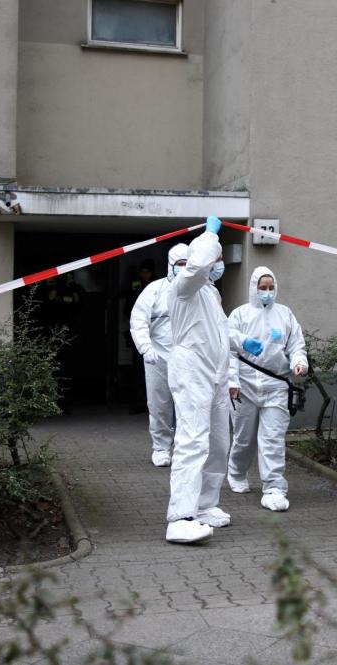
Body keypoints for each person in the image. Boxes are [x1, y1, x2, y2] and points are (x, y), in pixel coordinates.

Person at [164, 216, 263, 544]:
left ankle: (205, 505)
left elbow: (217, 329)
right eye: (214, 259)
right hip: (192, 370)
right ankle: (180, 516)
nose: (217, 264)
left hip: (217, 373)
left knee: (219, 443)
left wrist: (241, 341)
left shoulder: (209, 293)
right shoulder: (182, 288)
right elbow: (196, 265)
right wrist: (209, 235)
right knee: (193, 440)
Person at [226, 266, 308, 512]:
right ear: (253, 287)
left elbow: (296, 345)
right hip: (245, 386)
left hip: (276, 385)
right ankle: (236, 472)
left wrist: (299, 363)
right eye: (262, 288)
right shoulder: (239, 315)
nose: (267, 292)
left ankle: (274, 487)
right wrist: (232, 381)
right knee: (244, 438)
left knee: (272, 439)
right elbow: (228, 350)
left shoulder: (285, 315)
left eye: (271, 287)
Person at [129, 243, 188, 467]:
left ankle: (184, 448)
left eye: (187, 264)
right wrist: (146, 347)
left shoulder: (198, 290)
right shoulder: (155, 290)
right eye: (179, 264)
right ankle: (162, 447)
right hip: (158, 358)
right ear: (170, 265)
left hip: (189, 359)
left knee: (187, 406)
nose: (183, 268)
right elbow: (138, 320)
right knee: (159, 404)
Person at [126, 260, 158, 414]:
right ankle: (139, 403)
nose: (144, 274)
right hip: (140, 334)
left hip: (157, 335)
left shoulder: (158, 285)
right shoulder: (135, 285)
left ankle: (154, 404)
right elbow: (128, 308)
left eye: (147, 271)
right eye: (142, 271)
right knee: (138, 371)